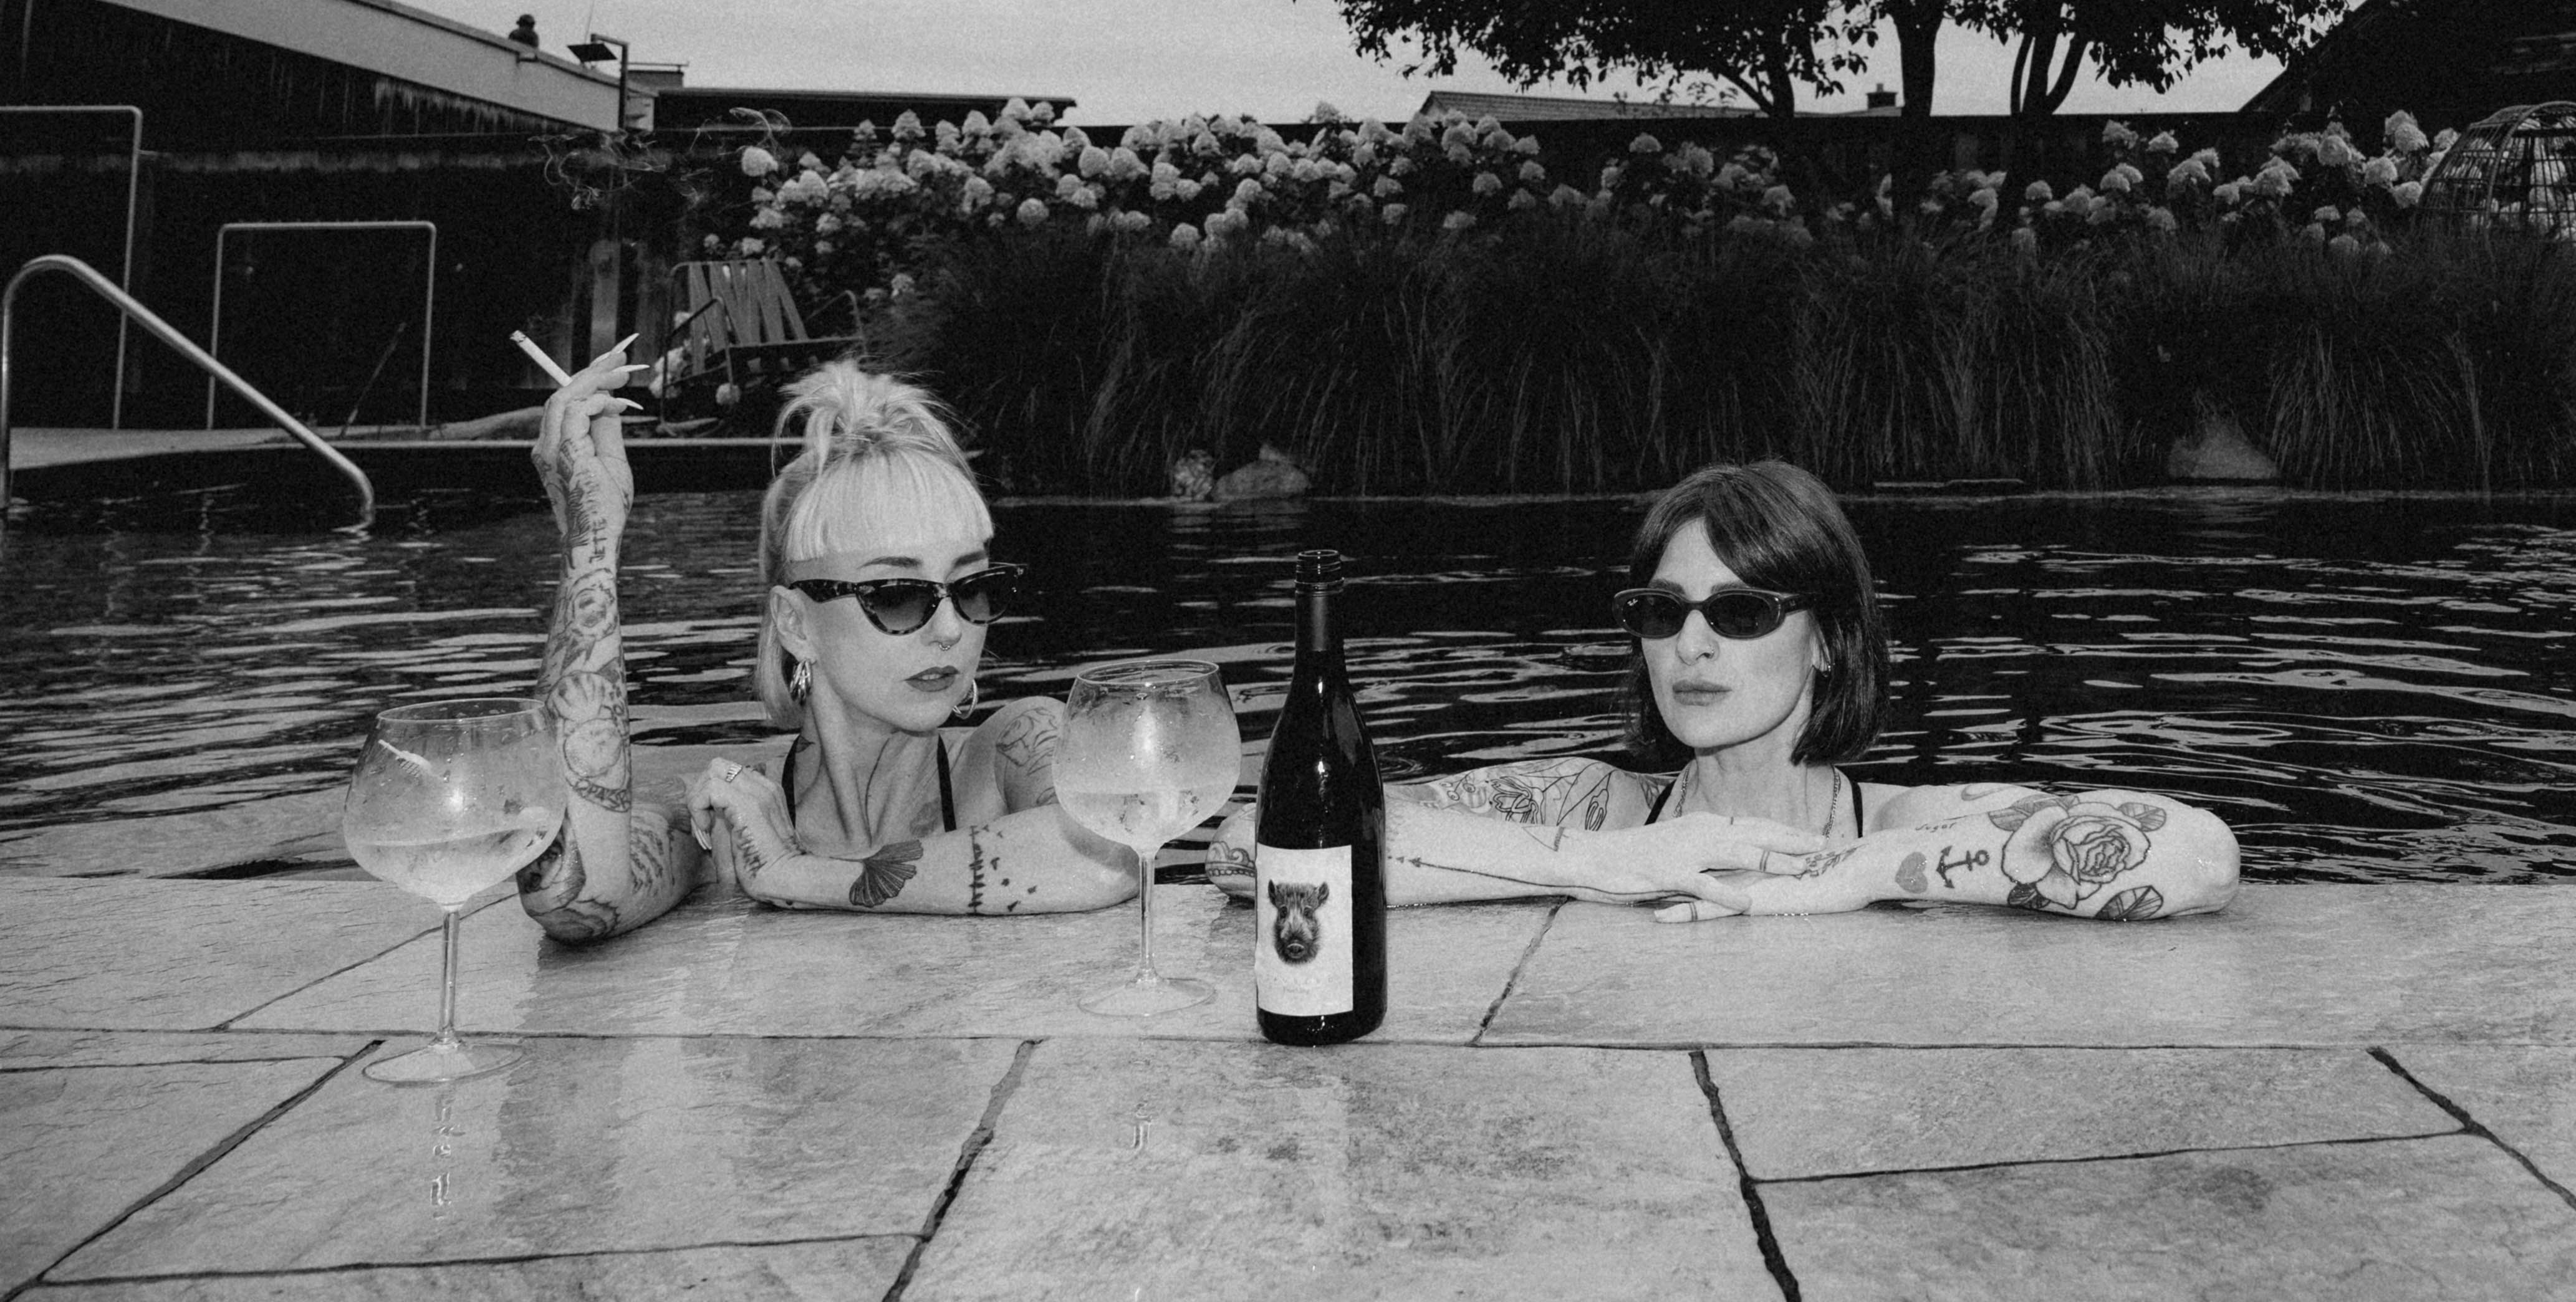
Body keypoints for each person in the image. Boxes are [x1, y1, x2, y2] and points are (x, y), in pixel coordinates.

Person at [1208, 458, 2241, 922]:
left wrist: (1852, 875)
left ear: (1829, 639)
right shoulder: (1592, 805)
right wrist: (1622, 864)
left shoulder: (1908, 818)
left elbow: (2200, 857)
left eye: (1741, 613)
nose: (1691, 645)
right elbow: (1253, 846)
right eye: (1663, 612)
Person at [515, 347, 1135, 939]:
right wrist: (591, 543)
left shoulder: (1009, 757)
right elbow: (570, 895)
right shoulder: (730, 812)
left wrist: (794, 872)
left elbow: (1112, 849)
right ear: (796, 623)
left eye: (972, 587)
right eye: (897, 593)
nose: (951, 629)